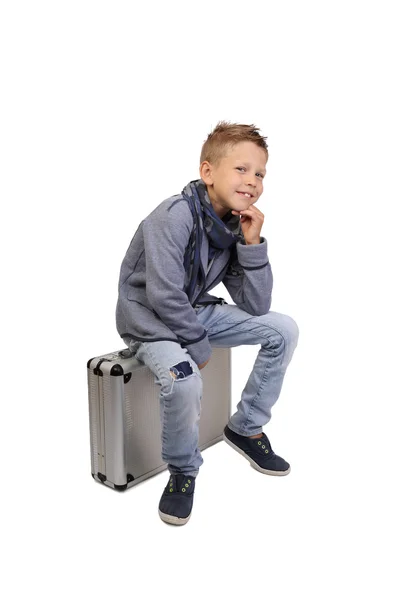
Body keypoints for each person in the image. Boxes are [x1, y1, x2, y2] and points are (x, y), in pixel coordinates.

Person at [116, 120, 299, 525]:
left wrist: (252, 245)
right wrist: (197, 348)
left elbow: (256, 303)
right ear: (208, 172)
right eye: (242, 169)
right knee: (184, 379)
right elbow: (163, 295)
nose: (252, 180)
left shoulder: (232, 226)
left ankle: (246, 428)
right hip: (150, 319)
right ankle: (183, 471)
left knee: (282, 329)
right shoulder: (172, 215)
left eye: (260, 174)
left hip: (193, 308)